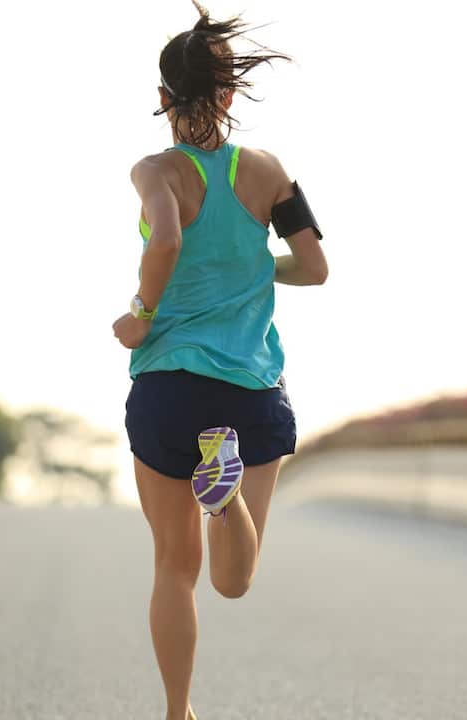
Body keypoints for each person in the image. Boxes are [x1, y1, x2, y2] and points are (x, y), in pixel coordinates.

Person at [111, 4, 327, 718]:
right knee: (235, 578)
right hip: (251, 389)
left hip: (171, 383)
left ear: (164, 98)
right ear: (231, 95)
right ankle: (225, 496)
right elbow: (315, 266)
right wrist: (254, 268)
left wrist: (141, 316)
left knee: (175, 567)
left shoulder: (156, 170)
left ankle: (179, 712)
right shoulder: (268, 171)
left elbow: (165, 242)